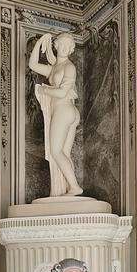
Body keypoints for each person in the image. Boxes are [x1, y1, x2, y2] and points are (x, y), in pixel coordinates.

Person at [28, 32, 82, 197]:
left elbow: (63, 92)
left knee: (55, 152)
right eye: (62, 44)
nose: (65, 48)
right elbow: (32, 64)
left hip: (64, 110)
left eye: (68, 46)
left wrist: (44, 90)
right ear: (56, 46)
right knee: (63, 154)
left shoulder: (69, 67)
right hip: (64, 111)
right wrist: (41, 42)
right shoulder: (53, 69)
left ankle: (74, 187)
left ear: (71, 49)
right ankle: (67, 188)